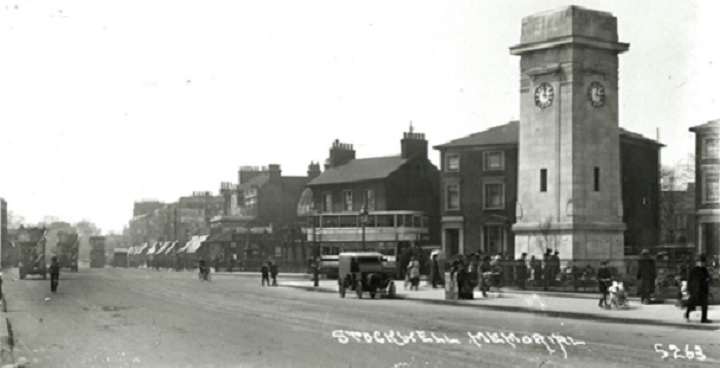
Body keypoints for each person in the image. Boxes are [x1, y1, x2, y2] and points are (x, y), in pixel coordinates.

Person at [685, 254, 712, 323]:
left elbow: (708, 278)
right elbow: (689, 280)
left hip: (702, 290)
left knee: (704, 305)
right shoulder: (693, 270)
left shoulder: (704, 270)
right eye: (702, 262)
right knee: (692, 303)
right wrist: (689, 289)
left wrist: (708, 280)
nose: (703, 264)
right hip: (695, 290)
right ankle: (687, 314)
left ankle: (704, 318)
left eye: (704, 262)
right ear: (698, 262)